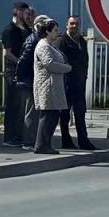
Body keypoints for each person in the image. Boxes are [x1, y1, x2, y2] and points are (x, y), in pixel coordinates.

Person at [31, 17, 71, 154]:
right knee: (48, 115)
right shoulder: (43, 46)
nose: (57, 32)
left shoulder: (50, 46)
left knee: (52, 115)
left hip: (53, 85)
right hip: (47, 86)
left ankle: (45, 143)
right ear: (47, 31)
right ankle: (41, 144)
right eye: (55, 30)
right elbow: (50, 64)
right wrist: (67, 68)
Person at [59, 15, 94, 150]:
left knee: (80, 113)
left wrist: (84, 75)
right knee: (65, 114)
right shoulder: (62, 40)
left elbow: (85, 59)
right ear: (67, 25)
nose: (74, 26)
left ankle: (83, 141)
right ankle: (66, 140)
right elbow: (62, 59)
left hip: (80, 83)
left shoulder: (81, 41)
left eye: (77, 24)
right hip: (67, 82)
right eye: (72, 24)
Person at [0, 2, 31, 147]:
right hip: (13, 71)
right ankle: (9, 137)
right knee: (13, 105)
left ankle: (19, 135)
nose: (27, 15)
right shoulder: (9, 30)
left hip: (24, 72)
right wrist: (20, 62)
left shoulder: (25, 29)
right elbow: (7, 53)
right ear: (17, 12)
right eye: (24, 12)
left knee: (21, 106)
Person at [14, 7, 41, 149]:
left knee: (32, 111)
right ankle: (28, 141)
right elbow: (24, 60)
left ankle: (31, 139)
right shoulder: (34, 39)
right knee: (31, 112)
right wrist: (20, 77)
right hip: (30, 80)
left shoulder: (34, 37)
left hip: (31, 79)